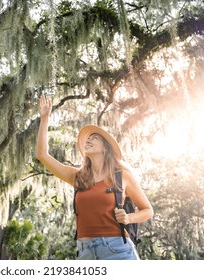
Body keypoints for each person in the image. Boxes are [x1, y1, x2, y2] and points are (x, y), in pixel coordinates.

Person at [35, 95, 154, 260]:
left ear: (105, 148)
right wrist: (45, 118)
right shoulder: (78, 177)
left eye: (94, 138)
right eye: (87, 140)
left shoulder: (122, 177)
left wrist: (128, 218)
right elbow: (42, 155)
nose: (88, 141)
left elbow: (148, 210)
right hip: (85, 253)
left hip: (117, 250)